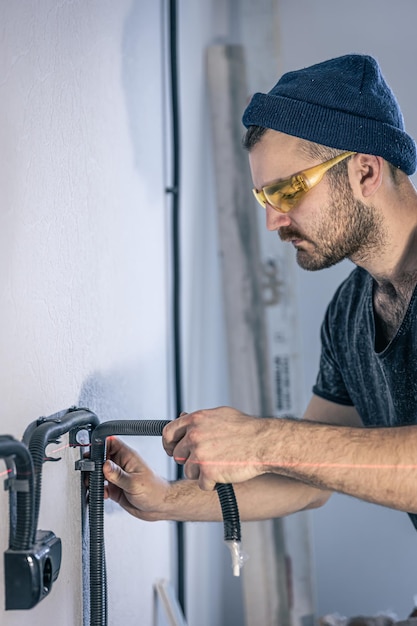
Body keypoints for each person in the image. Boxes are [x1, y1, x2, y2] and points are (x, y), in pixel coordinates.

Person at [103, 54, 417, 530]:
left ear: (365, 173)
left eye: (288, 191)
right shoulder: (349, 313)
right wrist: (167, 500)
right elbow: (310, 480)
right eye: (265, 198)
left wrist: (260, 440)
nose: (273, 221)